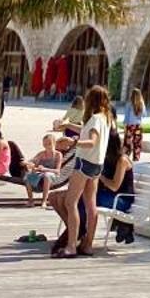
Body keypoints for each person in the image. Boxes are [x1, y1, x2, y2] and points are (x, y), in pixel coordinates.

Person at [54, 84, 111, 258]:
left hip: (84, 163)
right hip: (96, 165)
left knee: (71, 203)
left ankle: (71, 246)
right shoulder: (105, 118)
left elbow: (92, 141)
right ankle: (88, 245)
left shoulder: (95, 119)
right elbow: (87, 132)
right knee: (90, 205)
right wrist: (69, 125)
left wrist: (72, 143)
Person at [24, 133, 66, 203]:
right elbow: (33, 161)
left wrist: (45, 169)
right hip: (41, 174)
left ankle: (44, 201)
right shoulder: (41, 154)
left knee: (47, 175)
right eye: (45, 144)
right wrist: (30, 165)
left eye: (49, 144)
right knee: (27, 176)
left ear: (54, 143)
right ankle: (31, 201)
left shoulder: (58, 155)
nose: (47, 146)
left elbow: (57, 171)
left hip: (53, 176)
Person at [124, 87, 146, 162]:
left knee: (127, 142)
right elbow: (144, 115)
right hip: (138, 126)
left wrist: (125, 127)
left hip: (130, 126)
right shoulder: (141, 104)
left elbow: (126, 117)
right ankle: (136, 157)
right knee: (137, 142)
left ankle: (126, 156)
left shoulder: (129, 104)